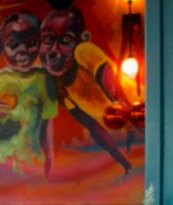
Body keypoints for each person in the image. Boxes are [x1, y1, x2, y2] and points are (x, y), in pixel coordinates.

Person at [39, 6, 133, 174]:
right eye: (47, 40)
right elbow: (92, 126)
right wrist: (123, 161)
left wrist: (132, 116)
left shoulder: (84, 52)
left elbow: (115, 92)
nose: (54, 50)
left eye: (65, 40)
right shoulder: (57, 83)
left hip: (133, 107)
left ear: (80, 40)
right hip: (119, 122)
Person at [0, 11, 58, 176]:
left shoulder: (43, 79)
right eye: (13, 44)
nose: (23, 51)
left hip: (27, 165)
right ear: (2, 46)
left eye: (31, 42)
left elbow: (47, 124)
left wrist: (50, 157)